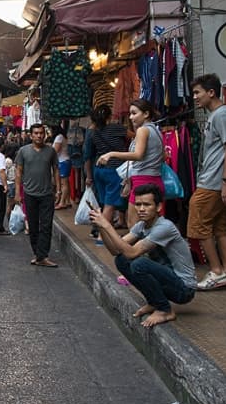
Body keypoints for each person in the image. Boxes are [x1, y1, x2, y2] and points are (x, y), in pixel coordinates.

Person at [90, 184, 197, 327]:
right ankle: (154, 302)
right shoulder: (141, 226)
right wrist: (102, 227)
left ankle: (165, 310)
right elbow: (116, 250)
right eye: (138, 204)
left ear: (158, 207)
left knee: (139, 264)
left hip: (184, 289)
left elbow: (132, 252)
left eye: (146, 205)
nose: (141, 209)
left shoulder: (164, 227)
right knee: (121, 260)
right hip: (168, 280)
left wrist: (107, 225)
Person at [188, 73, 226, 290]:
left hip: (213, 182)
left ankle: (217, 271)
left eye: (197, 92)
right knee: (219, 226)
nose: (194, 97)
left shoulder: (222, 115)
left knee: (198, 223)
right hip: (214, 180)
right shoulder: (215, 115)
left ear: (211, 92)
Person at [97, 99, 165, 227]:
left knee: (134, 225)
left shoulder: (143, 130)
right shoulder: (156, 131)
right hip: (155, 179)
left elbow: (138, 155)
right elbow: (163, 157)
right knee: (151, 226)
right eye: (130, 113)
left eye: (134, 113)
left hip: (142, 181)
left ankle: (132, 247)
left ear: (145, 114)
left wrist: (111, 154)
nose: (130, 117)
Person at [15, 123, 60, 267]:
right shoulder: (23, 151)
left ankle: (43, 256)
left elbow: (56, 171)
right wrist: (17, 192)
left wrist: (58, 190)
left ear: (44, 134)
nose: (39, 136)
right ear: (31, 135)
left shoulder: (51, 151)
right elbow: (18, 172)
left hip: (47, 194)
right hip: (29, 194)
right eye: (36, 133)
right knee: (33, 226)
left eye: (41, 133)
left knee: (46, 226)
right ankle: (37, 253)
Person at [84, 105, 130, 239]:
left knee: (105, 202)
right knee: (110, 205)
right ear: (109, 116)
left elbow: (87, 155)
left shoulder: (92, 132)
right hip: (114, 170)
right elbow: (134, 136)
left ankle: (107, 233)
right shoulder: (116, 128)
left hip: (99, 169)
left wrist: (88, 175)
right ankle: (101, 235)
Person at [50, 125, 72, 210]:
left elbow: (55, 150)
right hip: (64, 161)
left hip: (63, 161)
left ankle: (62, 202)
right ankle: (67, 201)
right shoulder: (63, 137)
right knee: (66, 183)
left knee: (64, 183)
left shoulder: (59, 137)